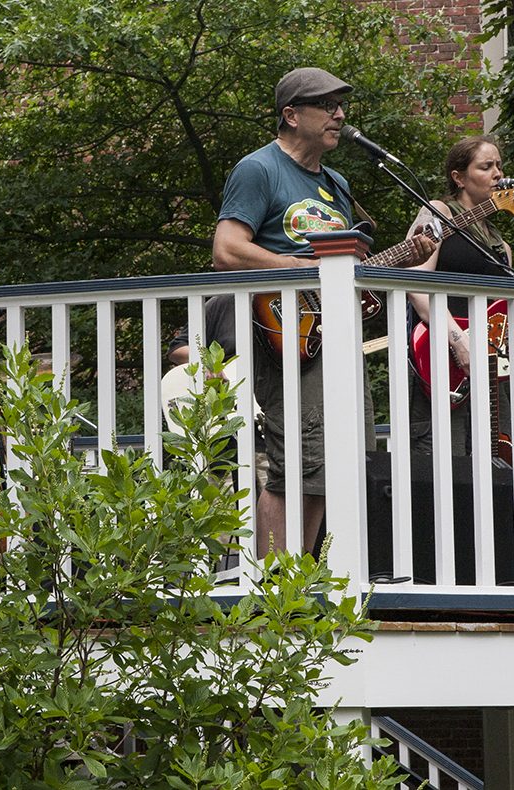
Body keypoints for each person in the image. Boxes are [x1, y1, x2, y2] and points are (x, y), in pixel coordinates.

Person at [171, 67, 434, 556]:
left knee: (346, 460)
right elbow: (227, 250)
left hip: (335, 335)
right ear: (291, 115)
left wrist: (405, 259)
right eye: (326, 105)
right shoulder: (259, 169)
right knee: (302, 465)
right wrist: (294, 268)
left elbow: (350, 273)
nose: (339, 114)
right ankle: (276, 591)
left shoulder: (337, 182)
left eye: (341, 104)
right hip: (284, 334)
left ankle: (308, 579)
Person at [404, 135, 514, 456]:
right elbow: (416, 284)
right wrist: (459, 341)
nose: (498, 173)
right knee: (444, 468)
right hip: (440, 363)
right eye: (486, 166)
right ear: (459, 177)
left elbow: (503, 334)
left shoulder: (502, 248)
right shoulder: (438, 212)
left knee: (501, 467)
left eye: (499, 165)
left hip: (489, 374)